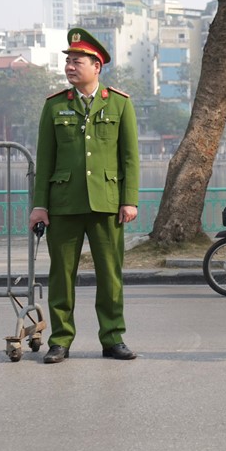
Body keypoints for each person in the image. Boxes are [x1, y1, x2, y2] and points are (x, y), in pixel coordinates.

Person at [28, 28, 140, 364]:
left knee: (110, 275)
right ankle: (60, 340)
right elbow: (45, 158)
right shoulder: (54, 106)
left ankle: (112, 338)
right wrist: (40, 204)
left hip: (107, 203)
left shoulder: (119, 103)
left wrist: (129, 199)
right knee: (61, 275)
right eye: (68, 61)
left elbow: (130, 157)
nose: (70, 66)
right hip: (63, 205)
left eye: (77, 61)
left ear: (97, 66)